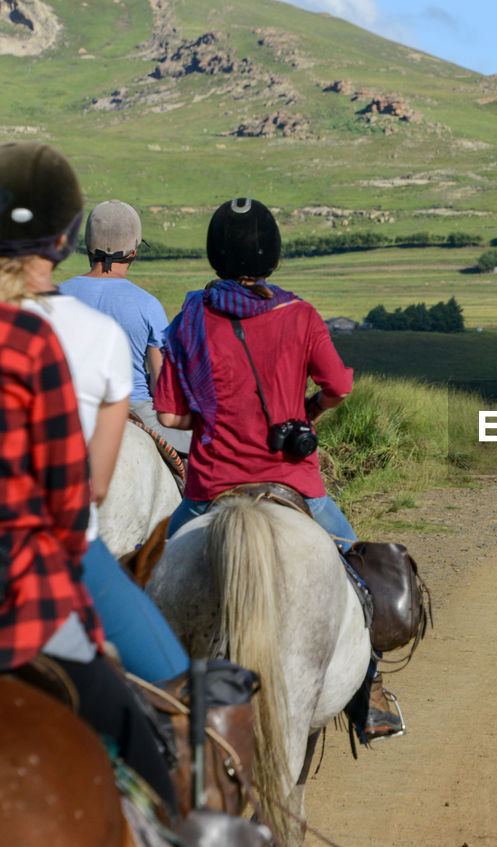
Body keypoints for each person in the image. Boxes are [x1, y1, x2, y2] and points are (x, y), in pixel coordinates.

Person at [154, 197, 401, 741]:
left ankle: (154, 702)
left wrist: (210, 410)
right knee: (359, 580)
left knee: (157, 587)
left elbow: (170, 413)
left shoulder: (188, 320)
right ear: (274, 255)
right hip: (294, 486)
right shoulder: (301, 315)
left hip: (210, 489)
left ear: (215, 253)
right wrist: (308, 410)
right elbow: (339, 387)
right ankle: (371, 692)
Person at [0, 140, 178, 814]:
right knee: (167, 712)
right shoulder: (56, 336)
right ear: (65, 236)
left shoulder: (48, 308)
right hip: (34, 588)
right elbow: (82, 492)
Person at [58, 200, 191, 454]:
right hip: (133, 406)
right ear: (134, 251)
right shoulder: (148, 305)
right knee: (192, 455)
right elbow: (160, 385)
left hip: (67, 407)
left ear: (88, 246)